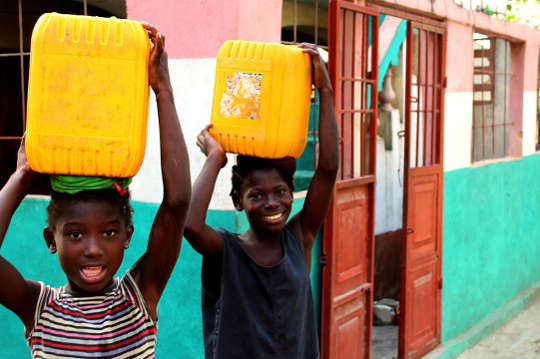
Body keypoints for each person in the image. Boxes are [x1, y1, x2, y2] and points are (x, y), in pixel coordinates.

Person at [0, 23, 190, 358]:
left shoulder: (140, 296)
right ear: (50, 239)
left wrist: (163, 91)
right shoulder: (39, 309)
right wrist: (23, 175)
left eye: (108, 232)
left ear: (127, 235)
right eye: (74, 235)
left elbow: (176, 204)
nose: (93, 249)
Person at [184, 43, 339, 359]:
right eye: (257, 195)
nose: (272, 203)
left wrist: (325, 91)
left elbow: (328, 168)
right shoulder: (225, 250)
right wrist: (215, 158)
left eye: (280, 192)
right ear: (238, 201)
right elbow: (190, 226)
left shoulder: (300, 237)